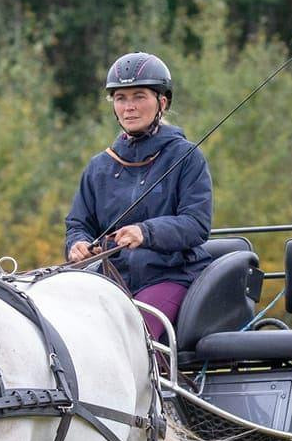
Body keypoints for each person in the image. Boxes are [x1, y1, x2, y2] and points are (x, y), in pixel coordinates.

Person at [64, 52, 212, 342]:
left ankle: (155, 385)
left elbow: (196, 224)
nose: (129, 107)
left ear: (162, 102)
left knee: (134, 337)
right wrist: (77, 245)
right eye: (120, 98)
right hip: (111, 282)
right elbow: (78, 223)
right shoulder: (99, 167)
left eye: (139, 96)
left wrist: (146, 232)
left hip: (169, 276)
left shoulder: (187, 157)